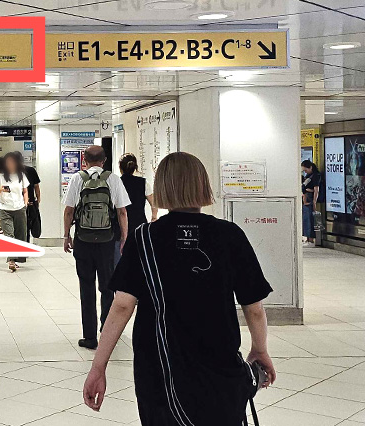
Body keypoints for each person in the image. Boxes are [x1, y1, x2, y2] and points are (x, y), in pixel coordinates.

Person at [83, 152, 276, 426]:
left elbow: (122, 305)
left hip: (159, 369)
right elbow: (254, 308)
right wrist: (259, 349)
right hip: (219, 364)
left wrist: (98, 367)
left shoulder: (144, 238)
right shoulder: (230, 235)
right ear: (203, 185)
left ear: (162, 188)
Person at [63, 146, 130, 349]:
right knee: (107, 288)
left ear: (84, 160)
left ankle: (90, 337)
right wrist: (124, 238)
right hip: (106, 241)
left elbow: (69, 211)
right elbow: (122, 212)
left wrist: (66, 236)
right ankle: (107, 333)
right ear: (104, 160)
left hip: (83, 240)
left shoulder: (77, 178)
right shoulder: (113, 179)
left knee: (87, 287)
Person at [0, 152, 30, 272]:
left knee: (20, 234)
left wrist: (25, 203)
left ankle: (17, 259)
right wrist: (1, 189)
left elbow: (25, 191)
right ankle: (11, 260)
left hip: (19, 208)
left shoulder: (21, 176)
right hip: (5, 209)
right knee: (9, 234)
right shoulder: (1, 177)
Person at [119, 153, 158, 233]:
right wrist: (154, 218)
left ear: (120, 167)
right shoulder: (143, 183)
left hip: (120, 225)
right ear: (135, 167)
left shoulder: (117, 183)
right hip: (139, 225)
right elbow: (154, 203)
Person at [21, 154, 42, 241]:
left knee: (27, 225)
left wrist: (38, 199)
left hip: (27, 203)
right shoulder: (30, 170)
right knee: (26, 226)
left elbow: (36, 186)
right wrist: (38, 199)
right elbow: (36, 186)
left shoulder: (30, 170)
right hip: (25, 203)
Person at [301, 159, 322, 244]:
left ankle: (311, 239)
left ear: (310, 167)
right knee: (306, 219)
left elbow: (316, 189)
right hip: (306, 197)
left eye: (306, 170)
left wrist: (314, 201)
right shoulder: (309, 175)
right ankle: (307, 238)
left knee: (310, 219)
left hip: (310, 198)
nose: (305, 172)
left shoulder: (316, 176)